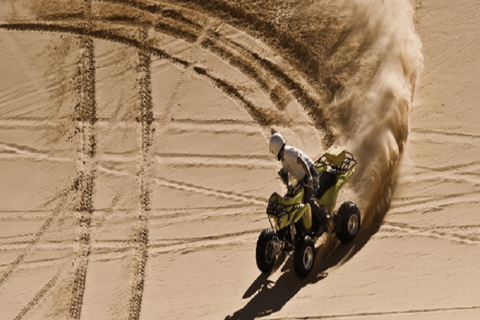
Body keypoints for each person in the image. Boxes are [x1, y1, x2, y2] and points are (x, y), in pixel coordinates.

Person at [269, 132, 328, 235]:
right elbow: (287, 173)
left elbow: (302, 161)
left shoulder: (288, 152)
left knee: (309, 200)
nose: (273, 154)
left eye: (273, 151)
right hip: (303, 179)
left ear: (275, 148)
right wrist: (283, 175)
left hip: (311, 173)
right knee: (296, 201)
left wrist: (309, 177)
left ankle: (324, 221)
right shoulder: (283, 158)